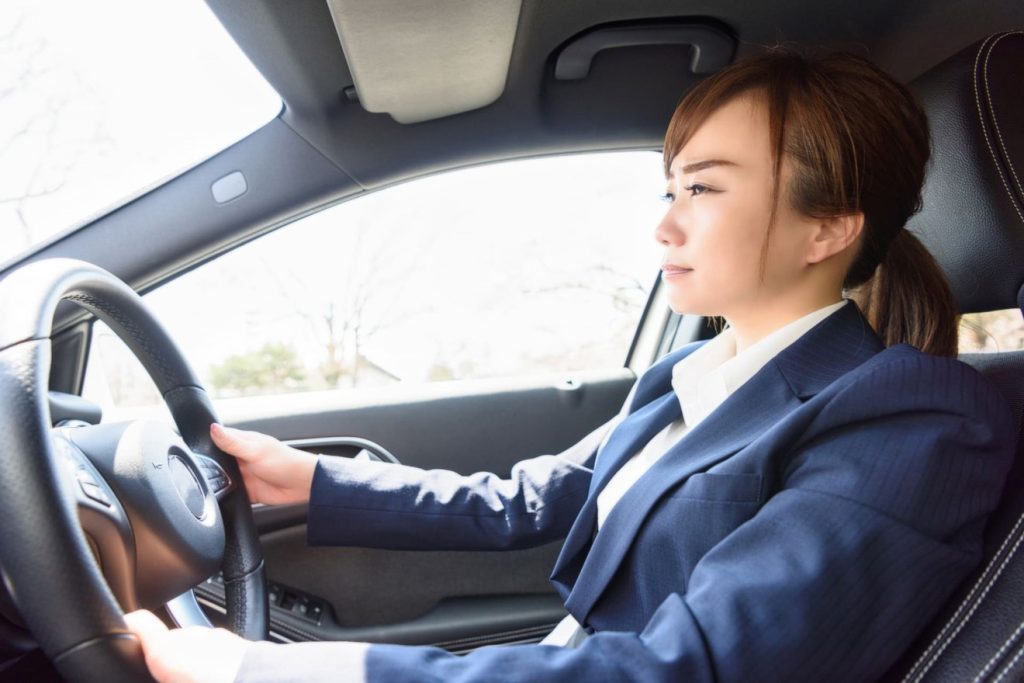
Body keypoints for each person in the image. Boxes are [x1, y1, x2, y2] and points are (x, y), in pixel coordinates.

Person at [124, 48, 1015, 682]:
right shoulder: (693, 375)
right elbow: (533, 497)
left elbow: (695, 668)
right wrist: (311, 481)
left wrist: (266, 673)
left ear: (828, 227)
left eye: (703, 188)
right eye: (670, 188)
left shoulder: (914, 418)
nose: (664, 224)